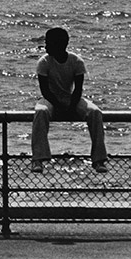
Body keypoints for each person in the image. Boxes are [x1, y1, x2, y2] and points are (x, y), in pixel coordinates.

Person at [31, 27, 108, 173]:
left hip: (70, 97)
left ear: (60, 44)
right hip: (50, 99)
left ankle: (99, 159)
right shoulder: (44, 62)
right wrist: (58, 105)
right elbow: (45, 91)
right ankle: (38, 159)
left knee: (95, 112)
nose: (45, 46)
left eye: (49, 43)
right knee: (40, 112)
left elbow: (78, 89)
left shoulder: (76, 61)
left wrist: (71, 106)